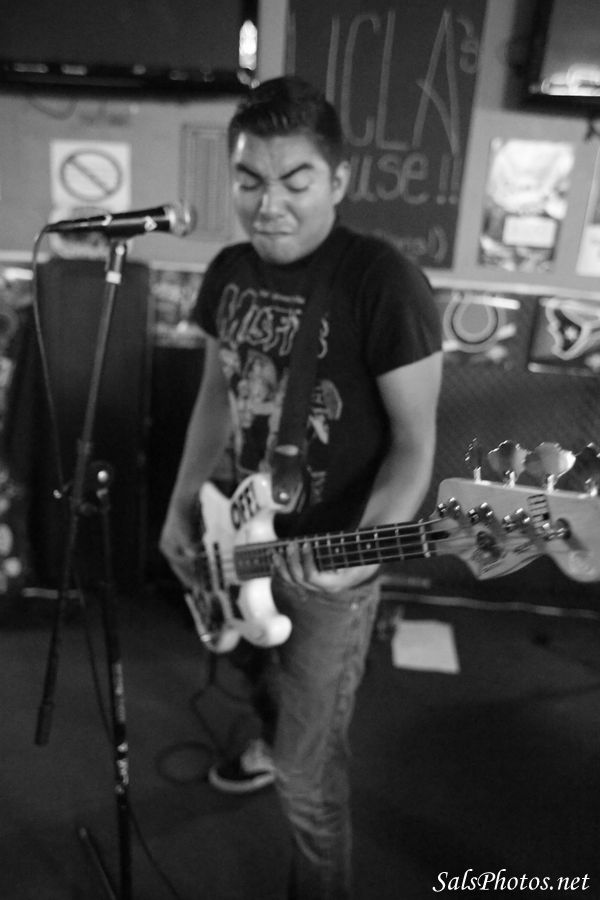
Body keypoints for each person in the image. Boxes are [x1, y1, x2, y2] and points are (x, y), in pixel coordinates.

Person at [160, 75, 442, 900]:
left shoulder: (381, 282)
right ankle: (268, 733)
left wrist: (358, 556)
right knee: (257, 666)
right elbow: (218, 395)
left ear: (339, 179)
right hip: (239, 534)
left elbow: (415, 445)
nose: (269, 204)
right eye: (249, 181)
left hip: (329, 568)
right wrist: (182, 499)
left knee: (309, 781)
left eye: (295, 181)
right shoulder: (228, 271)